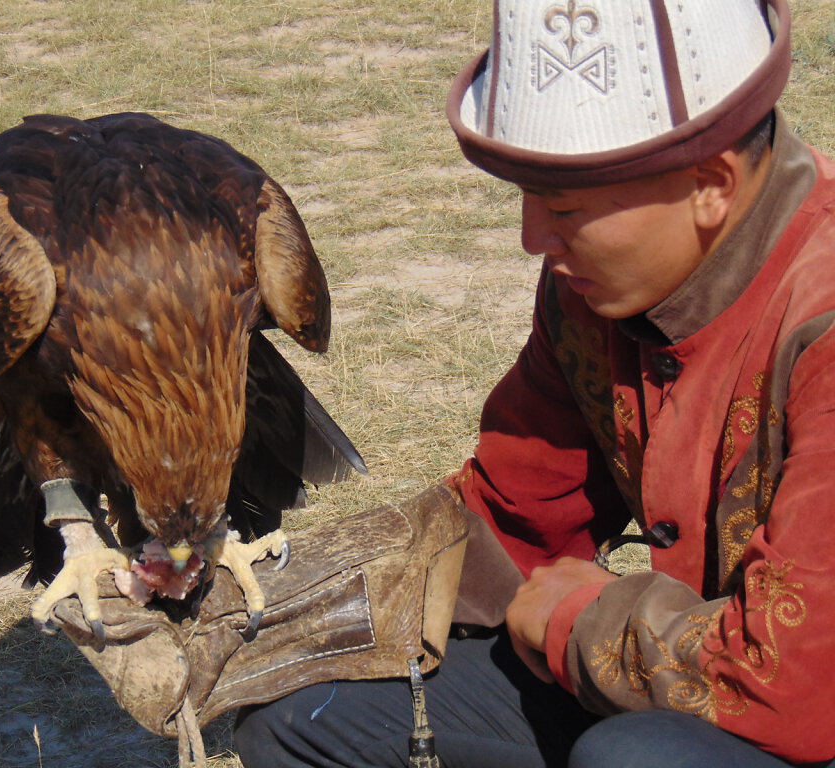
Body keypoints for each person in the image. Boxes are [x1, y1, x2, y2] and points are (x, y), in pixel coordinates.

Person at [232, 1, 835, 766]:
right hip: (697, 691)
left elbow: (799, 685)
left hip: (798, 715)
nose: (531, 239)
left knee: (636, 758)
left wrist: (577, 620)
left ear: (711, 183)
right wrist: (275, 609)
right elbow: (515, 515)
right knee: (299, 716)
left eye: (563, 207)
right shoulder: (599, 293)